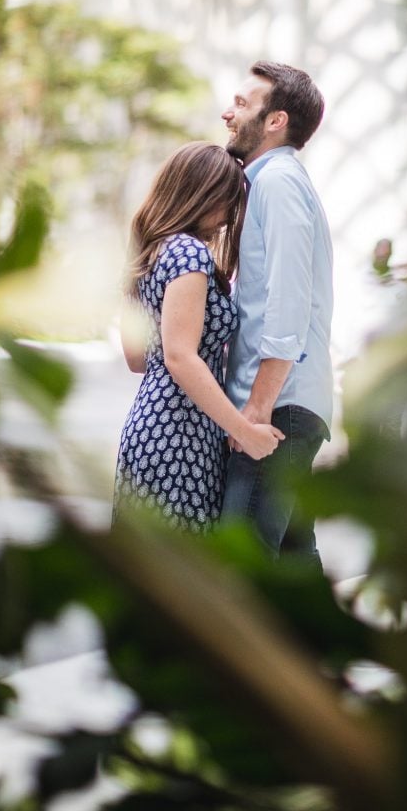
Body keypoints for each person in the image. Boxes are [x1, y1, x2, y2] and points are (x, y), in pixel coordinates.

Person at [113, 142, 284, 531]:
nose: (227, 217)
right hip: (182, 435)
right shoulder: (190, 254)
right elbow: (180, 356)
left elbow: (139, 360)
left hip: (151, 425)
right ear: (200, 195)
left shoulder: (152, 251)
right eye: (225, 201)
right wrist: (245, 432)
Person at [220, 61, 333, 561]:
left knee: (239, 570)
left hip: (277, 410)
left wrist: (256, 410)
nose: (228, 113)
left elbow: (289, 301)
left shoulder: (278, 183)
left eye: (242, 104)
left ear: (275, 120)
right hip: (287, 406)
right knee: (290, 565)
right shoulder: (272, 181)